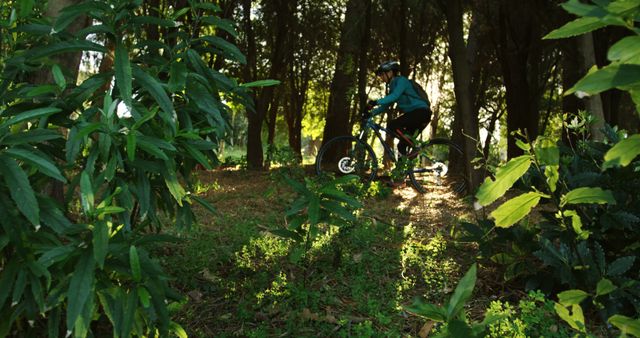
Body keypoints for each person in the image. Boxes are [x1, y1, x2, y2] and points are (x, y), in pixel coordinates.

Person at [367, 60, 432, 157]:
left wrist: (376, 102)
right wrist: (371, 113)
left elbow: (394, 96)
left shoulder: (402, 81)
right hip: (415, 115)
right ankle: (403, 171)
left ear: (390, 72)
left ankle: (415, 146)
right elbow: (385, 105)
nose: (381, 77)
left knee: (393, 125)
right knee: (401, 145)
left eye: (382, 74)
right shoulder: (393, 87)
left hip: (421, 113)